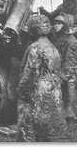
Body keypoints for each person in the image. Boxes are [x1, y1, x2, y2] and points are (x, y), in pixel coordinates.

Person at [16, 14, 67, 142]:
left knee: (28, 130)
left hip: (36, 94)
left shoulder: (36, 48)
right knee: (48, 131)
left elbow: (31, 72)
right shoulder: (52, 47)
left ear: (33, 30)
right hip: (53, 92)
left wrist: (22, 89)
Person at [51, 13, 77, 120]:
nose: (56, 26)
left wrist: (61, 75)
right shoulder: (58, 38)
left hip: (70, 73)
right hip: (60, 71)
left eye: (59, 24)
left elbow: (71, 63)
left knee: (71, 95)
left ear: (65, 25)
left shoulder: (71, 41)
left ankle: (74, 116)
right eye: (55, 24)